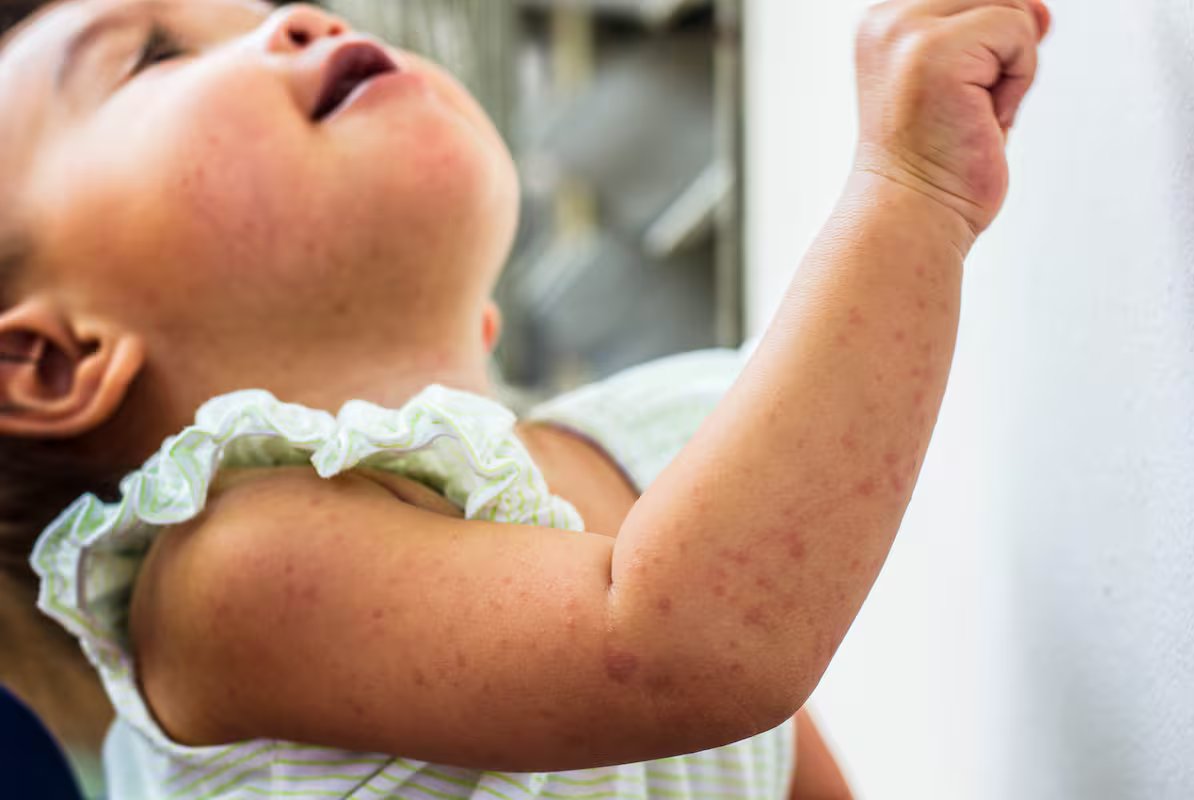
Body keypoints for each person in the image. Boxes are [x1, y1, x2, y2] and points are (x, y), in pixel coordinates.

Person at [0, 0, 1049, 796]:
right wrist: (912, 191)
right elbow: (695, 654)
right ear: (51, 363)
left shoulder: (643, 460)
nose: (291, 20)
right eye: (154, 56)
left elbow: (764, 755)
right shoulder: (223, 574)